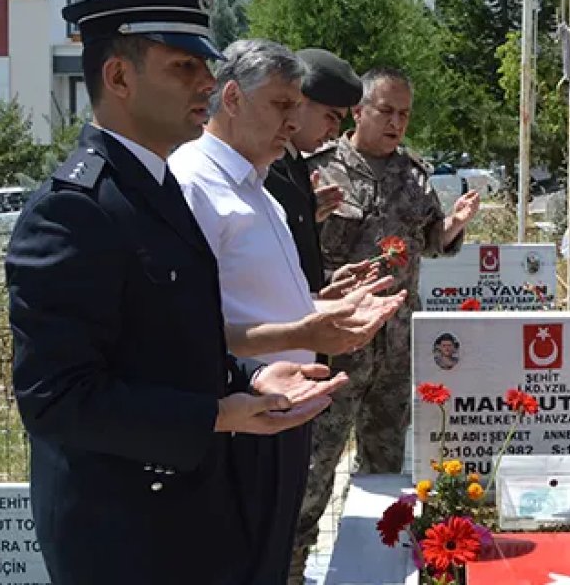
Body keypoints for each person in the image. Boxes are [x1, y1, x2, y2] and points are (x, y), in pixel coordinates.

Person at [7, 0, 348, 584]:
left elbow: (172, 343)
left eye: (206, 67)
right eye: (184, 67)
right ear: (118, 77)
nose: (207, 84)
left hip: (189, 507)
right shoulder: (74, 209)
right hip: (123, 531)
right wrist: (220, 414)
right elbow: (56, 399)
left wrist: (252, 375)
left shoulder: (154, 187)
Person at [167, 39, 405, 582]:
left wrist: (324, 302)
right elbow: (186, 328)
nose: (293, 119)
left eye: (297, 105)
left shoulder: (261, 186)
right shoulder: (193, 183)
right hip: (236, 424)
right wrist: (306, 326)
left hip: (281, 414)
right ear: (231, 97)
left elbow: (255, 292)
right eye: (281, 105)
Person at [292, 67, 481, 582]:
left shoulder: (415, 174)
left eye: (404, 114)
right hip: (333, 350)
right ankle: (288, 570)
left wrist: (454, 226)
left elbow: (432, 240)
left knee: (383, 472)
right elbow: (291, 252)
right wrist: (307, 218)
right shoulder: (316, 170)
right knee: (312, 474)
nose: (396, 122)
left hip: (395, 352)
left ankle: (371, 572)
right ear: (359, 111)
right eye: (385, 111)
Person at [264, 48, 364, 296]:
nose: (334, 131)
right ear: (300, 102)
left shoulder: (293, 163)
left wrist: (326, 282)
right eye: (330, 117)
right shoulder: (267, 167)